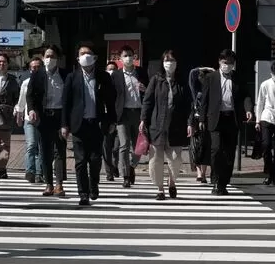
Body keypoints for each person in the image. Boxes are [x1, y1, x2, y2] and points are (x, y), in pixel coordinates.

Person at [61, 42, 117, 207]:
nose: (85, 55)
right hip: (79, 124)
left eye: (88, 53)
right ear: (78, 59)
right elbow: (66, 103)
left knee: (95, 159)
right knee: (80, 161)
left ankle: (94, 184)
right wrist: (64, 124)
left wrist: (112, 120)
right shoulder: (72, 77)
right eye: (81, 53)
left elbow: (110, 101)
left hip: (97, 124)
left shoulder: (103, 77)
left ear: (94, 57)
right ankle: (83, 193)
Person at [192, 49, 252, 196]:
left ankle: (224, 183)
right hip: (215, 118)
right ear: (219, 62)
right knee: (216, 150)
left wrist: (248, 109)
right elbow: (204, 100)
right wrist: (201, 119)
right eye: (225, 63)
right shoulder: (211, 77)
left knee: (230, 152)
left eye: (231, 63)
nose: (228, 66)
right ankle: (216, 180)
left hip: (232, 118)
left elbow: (246, 96)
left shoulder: (238, 78)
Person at [139, 50, 192, 200]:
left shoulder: (182, 81)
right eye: (167, 60)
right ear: (162, 63)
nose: (170, 63)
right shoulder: (156, 80)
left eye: (173, 60)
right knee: (155, 160)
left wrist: (189, 122)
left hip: (176, 127)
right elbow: (147, 101)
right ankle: (160, 189)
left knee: (175, 159)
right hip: (157, 127)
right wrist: (143, 119)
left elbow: (188, 104)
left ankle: (172, 182)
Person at [29, 45, 67, 197]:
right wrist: (31, 109)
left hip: (59, 116)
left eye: (52, 56)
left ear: (57, 59)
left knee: (60, 151)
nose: (49, 59)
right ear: (43, 57)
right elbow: (30, 96)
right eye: (47, 56)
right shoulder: (37, 75)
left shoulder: (65, 75)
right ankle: (48, 184)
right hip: (43, 117)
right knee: (45, 152)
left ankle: (59, 184)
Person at [111, 46, 147, 188]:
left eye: (131, 55)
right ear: (120, 58)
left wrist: (145, 88)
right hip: (123, 113)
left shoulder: (141, 72)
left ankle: (132, 165)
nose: (128, 58)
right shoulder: (116, 75)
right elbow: (112, 96)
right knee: (124, 145)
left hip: (138, 112)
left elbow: (149, 91)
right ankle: (126, 175)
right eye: (125, 55)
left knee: (139, 147)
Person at [15, 56, 45, 183]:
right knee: (31, 145)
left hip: (43, 119)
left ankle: (39, 173)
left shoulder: (46, 81)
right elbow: (21, 101)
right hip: (29, 119)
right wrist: (19, 114)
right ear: (30, 69)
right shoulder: (26, 82)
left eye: (38, 67)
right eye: (33, 67)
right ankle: (30, 171)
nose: (36, 69)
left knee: (40, 147)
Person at [0, 54, 20, 178]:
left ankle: (2, 168)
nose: (2, 64)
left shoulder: (13, 80)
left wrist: (16, 109)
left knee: (4, 144)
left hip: (6, 115)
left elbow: (17, 98)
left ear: (8, 64)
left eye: (4, 62)